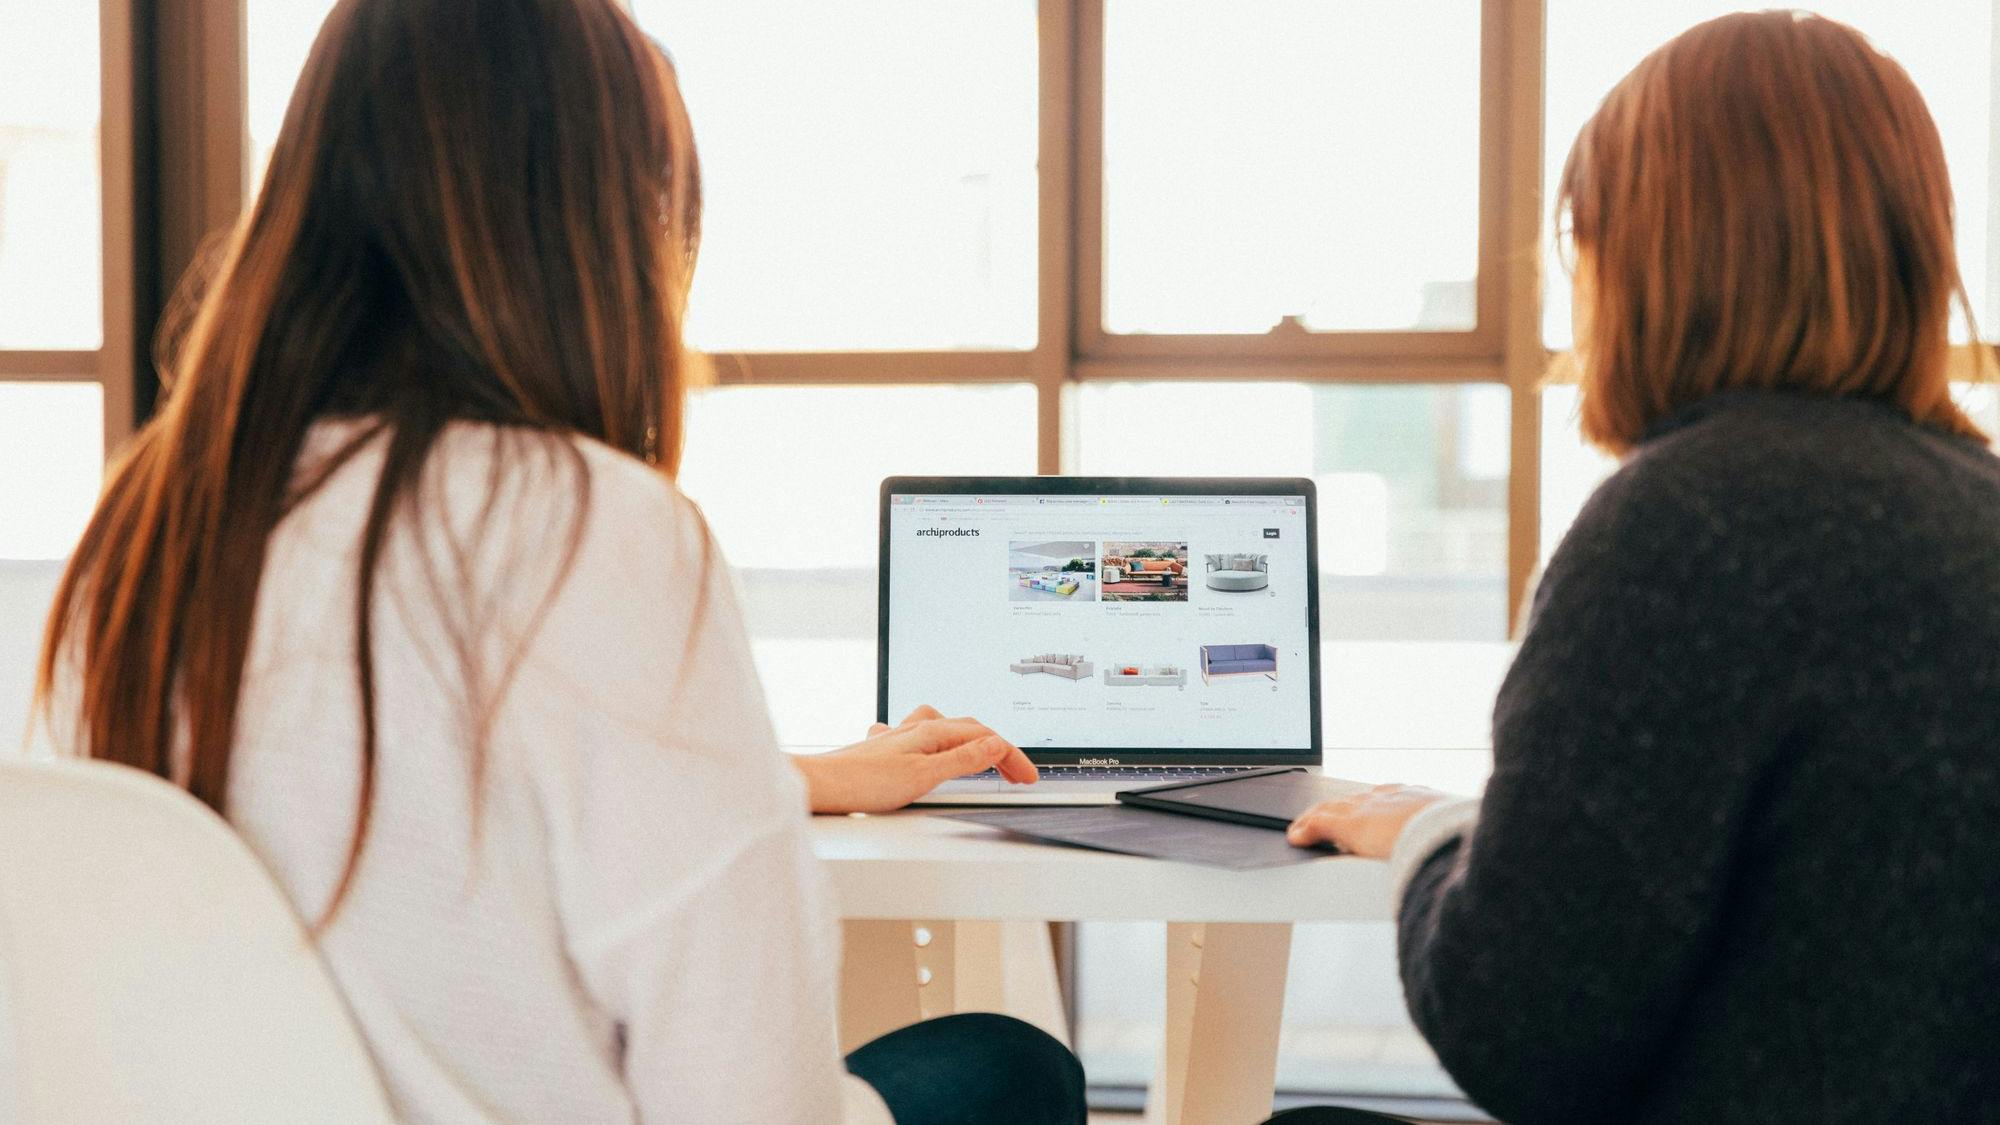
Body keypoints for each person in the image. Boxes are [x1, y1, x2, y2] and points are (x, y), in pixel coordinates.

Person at [33, 1, 1080, 1122]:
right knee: (1009, 1065)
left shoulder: (148, 522)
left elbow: (396, 814)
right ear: (604, 225)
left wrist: (791, 781)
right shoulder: (589, 526)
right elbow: (744, 1095)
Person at [1279, 11, 2000, 1124]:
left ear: (1641, 254)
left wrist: (1430, 836)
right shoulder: (1975, 502)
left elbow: (1517, 1029)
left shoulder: (1685, 522)